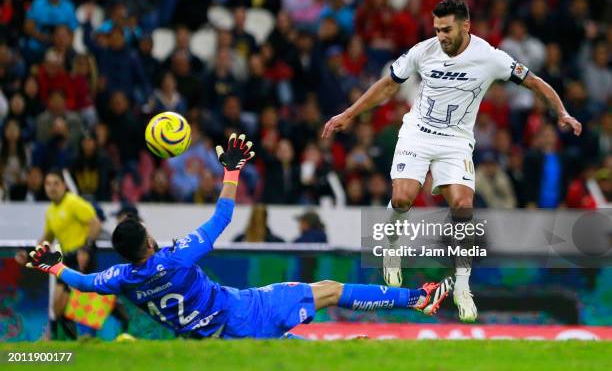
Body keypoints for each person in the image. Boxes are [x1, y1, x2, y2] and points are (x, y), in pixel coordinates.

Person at [24, 134, 452, 339]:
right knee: (328, 290)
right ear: (150, 241)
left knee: (321, 354)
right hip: (243, 311)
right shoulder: (175, 258)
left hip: (213, 343)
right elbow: (223, 216)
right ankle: (419, 299)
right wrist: (231, 170)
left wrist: (54, 265)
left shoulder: (120, 277)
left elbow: (82, 282)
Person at [322, 0, 582, 322]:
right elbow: (388, 86)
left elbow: (534, 82)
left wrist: (562, 112)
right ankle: (391, 248)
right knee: (402, 198)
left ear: (465, 26)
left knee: (463, 207)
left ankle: (461, 286)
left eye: (446, 30)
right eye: (437, 29)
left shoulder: (490, 57)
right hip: (418, 133)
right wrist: (348, 114)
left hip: (456, 142)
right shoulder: (423, 51)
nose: (441, 36)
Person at [15, 169, 101, 339]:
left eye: (56, 183)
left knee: (82, 305)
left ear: (64, 185)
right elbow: (47, 238)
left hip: (81, 257)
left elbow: (95, 224)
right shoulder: (51, 211)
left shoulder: (74, 202)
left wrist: (86, 249)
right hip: (65, 259)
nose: (52, 188)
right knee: (57, 307)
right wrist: (28, 253)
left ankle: (63, 338)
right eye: (48, 184)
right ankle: (71, 341)